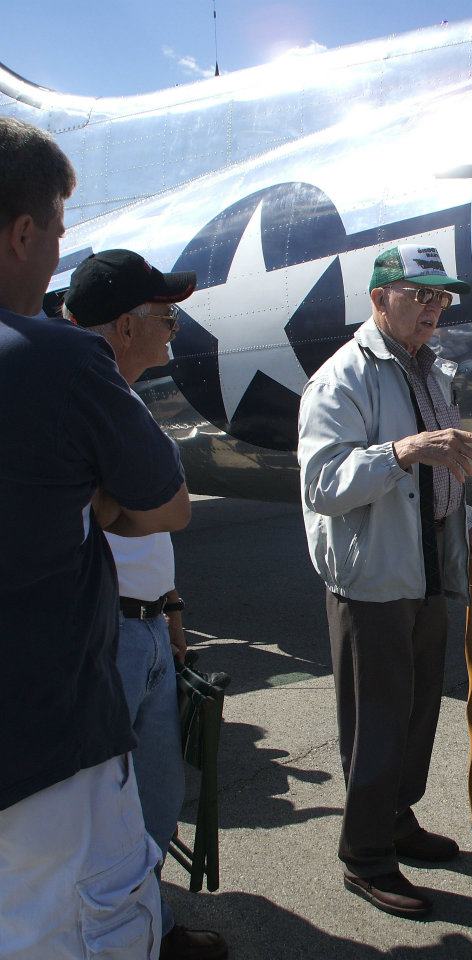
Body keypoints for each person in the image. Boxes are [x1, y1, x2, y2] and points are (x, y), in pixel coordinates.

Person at [0, 118, 190, 958]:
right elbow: (165, 501)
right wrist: (101, 501)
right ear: (24, 231)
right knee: (87, 928)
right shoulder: (60, 360)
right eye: (57, 234)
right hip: (46, 744)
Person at [298, 244, 472, 918]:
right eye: (420, 295)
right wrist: (403, 450)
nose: (435, 309)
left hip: (428, 566)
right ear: (380, 299)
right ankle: (366, 856)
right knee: (378, 721)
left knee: (416, 713)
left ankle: (396, 819)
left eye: (442, 297)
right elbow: (322, 485)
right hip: (374, 577)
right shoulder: (342, 378)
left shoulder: (431, 370)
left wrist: (464, 518)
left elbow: (446, 458)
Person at [63, 250, 228, 960]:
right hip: (103, 640)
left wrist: (172, 610)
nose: (173, 327)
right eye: (164, 315)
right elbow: (169, 507)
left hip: (150, 629)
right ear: (125, 325)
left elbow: (157, 517)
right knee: (97, 818)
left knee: (155, 807)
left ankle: (149, 923)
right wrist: (139, 507)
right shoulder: (78, 394)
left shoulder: (122, 394)